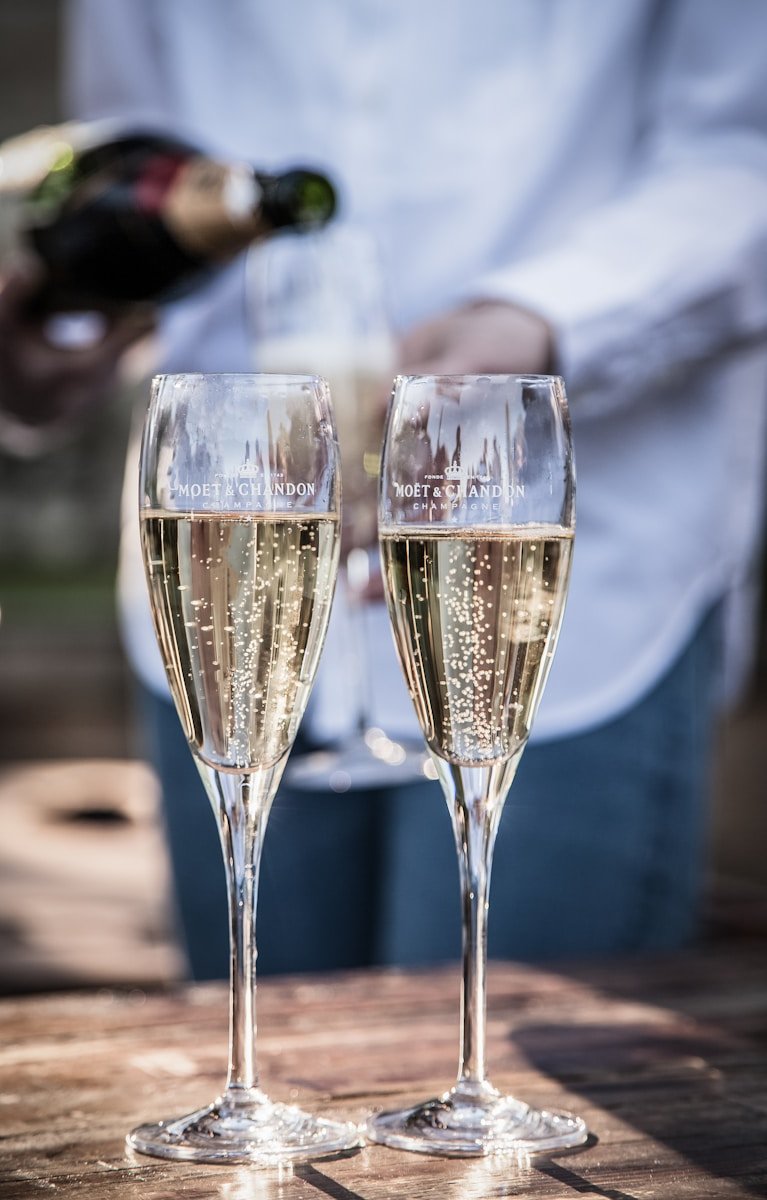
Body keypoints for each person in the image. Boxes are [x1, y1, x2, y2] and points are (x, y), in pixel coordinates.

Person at [4, 0, 766, 976]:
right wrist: (68, 332)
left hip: (572, 578)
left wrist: (539, 322)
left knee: (528, 1076)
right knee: (265, 1072)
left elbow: (744, 152)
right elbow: (134, 166)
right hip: (226, 553)